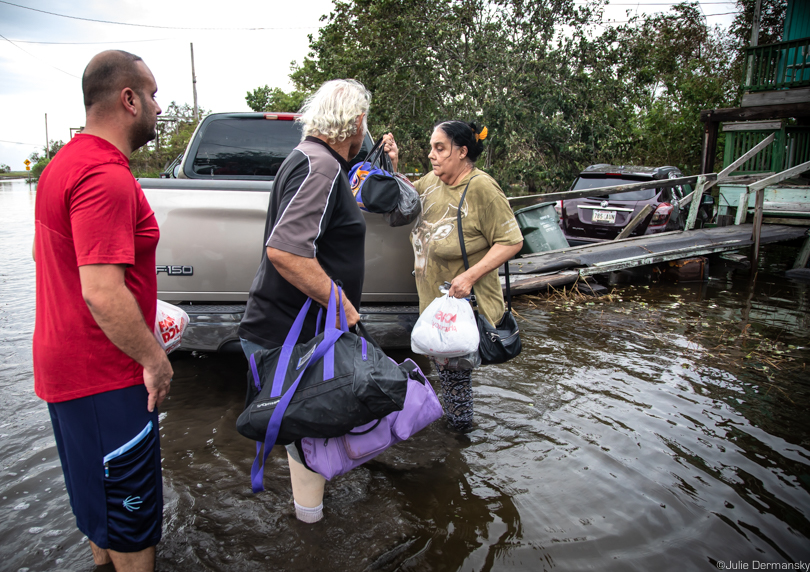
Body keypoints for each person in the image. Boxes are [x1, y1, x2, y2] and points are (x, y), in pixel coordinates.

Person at [32, 50, 172, 572]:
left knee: (99, 512)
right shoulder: (105, 176)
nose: (159, 107)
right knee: (133, 528)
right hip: (104, 376)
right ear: (128, 99)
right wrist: (154, 358)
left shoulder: (61, 165)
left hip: (64, 369)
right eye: (153, 95)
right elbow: (101, 291)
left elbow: (48, 260)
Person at [237, 79, 371, 523]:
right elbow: (288, 251)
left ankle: (307, 520)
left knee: (303, 436)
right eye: (363, 123)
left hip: (284, 327)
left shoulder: (308, 157)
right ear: (354, 122)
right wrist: (344, 306)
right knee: (308, 434)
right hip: (291, 334)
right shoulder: (322, 167)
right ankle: (311, 533)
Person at [383, 121, 523, 432]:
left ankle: (458, 449)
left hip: (462, 306)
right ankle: (455, 436)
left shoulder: (482, 188)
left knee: (455, 386)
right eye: (431, 147)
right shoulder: (432, 181)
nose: (431, 155)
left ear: (462, 152)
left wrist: (469, 277)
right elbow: (404, 199)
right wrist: (392, 164)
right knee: (449, 378)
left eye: (440, 148)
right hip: (436, 306)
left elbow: (512, 241)